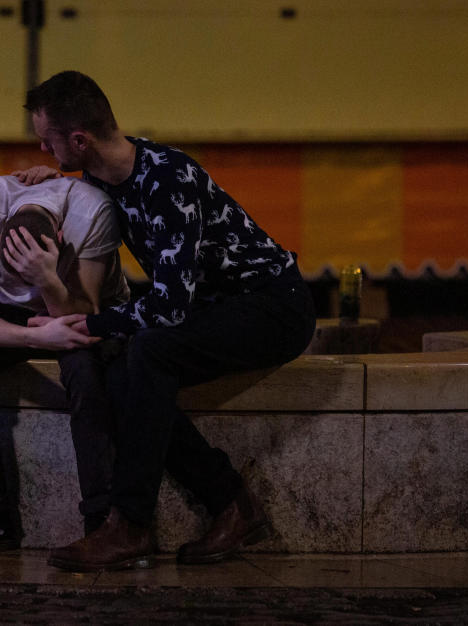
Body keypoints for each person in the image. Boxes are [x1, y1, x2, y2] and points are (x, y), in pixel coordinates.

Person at [16, 70, 316, 571]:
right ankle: (230, 502)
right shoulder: (98, 172)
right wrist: (51, 183)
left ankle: (129, 526)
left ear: (79, 139)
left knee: (148, 351)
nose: (44, 152)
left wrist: (90, 325)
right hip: (217, 307)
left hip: (272, 304)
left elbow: (171, 307)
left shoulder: (167, 177)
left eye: (48, 143)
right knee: (120, 373)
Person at [0, 173, 129, 554]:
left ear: (60, 240)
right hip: (17, 314)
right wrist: (33, 337)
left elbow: (85, 315)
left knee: (87, 372)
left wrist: (47, 279)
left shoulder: (90, 210)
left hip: (81, 304)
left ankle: (102, 521)